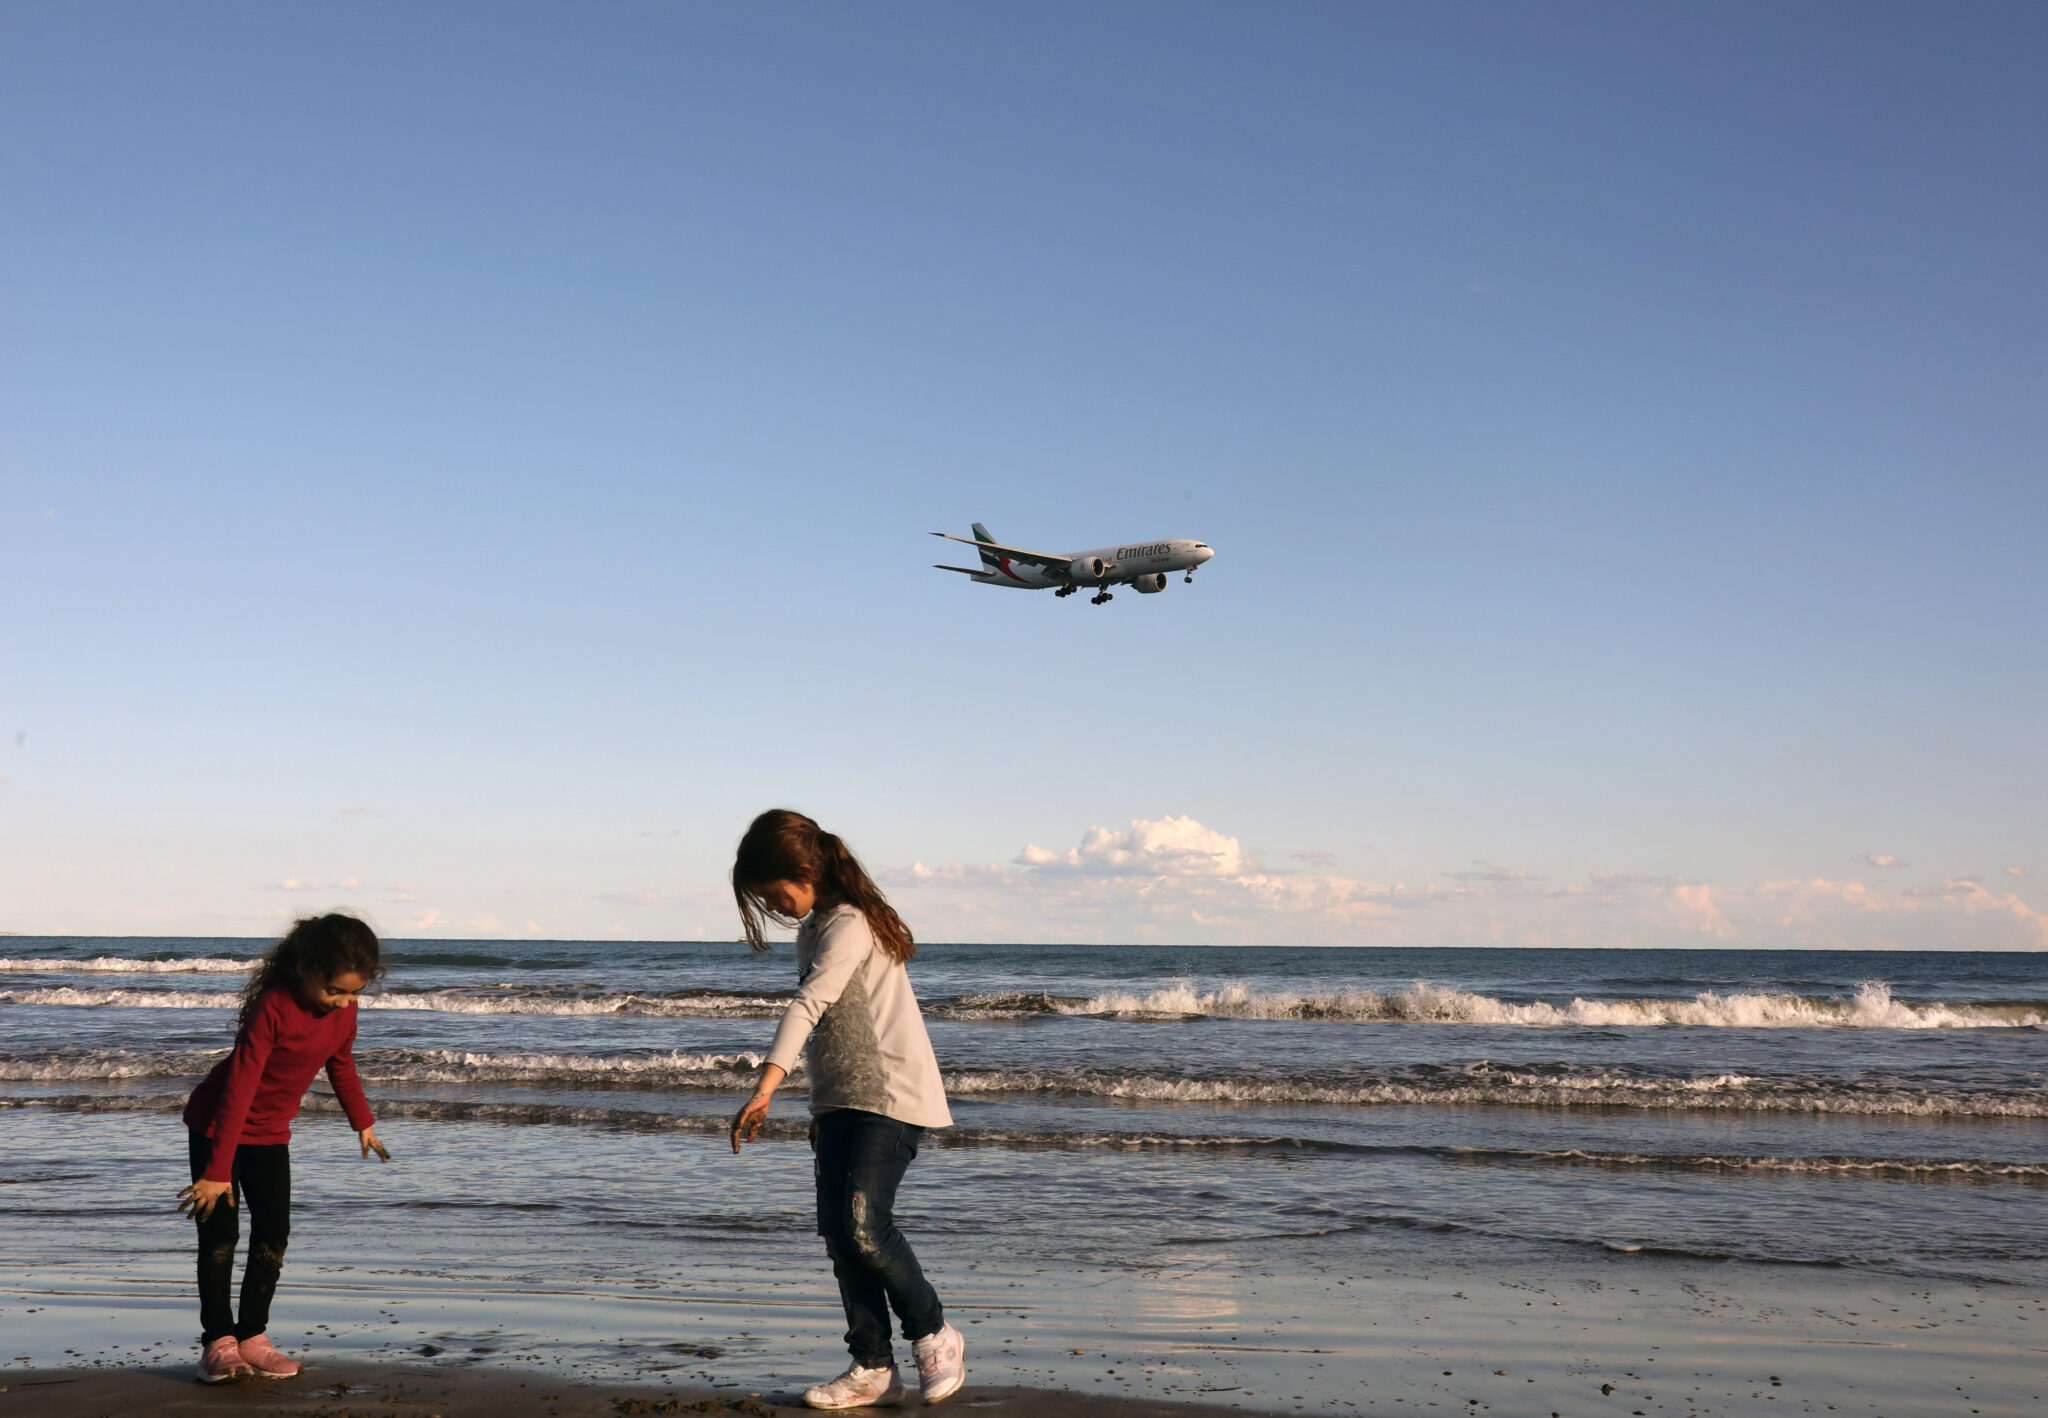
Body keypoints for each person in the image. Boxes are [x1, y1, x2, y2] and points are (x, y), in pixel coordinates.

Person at [728, 810, 965, 1410]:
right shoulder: (817, 928)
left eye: (775, 893)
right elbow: (832, 1025)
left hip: (889, 1101)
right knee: (840, 1235)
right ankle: (873, 1366)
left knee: (865, 1227)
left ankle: (934, 1334)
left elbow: (810, 1005)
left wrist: (766, 1086)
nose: (777, 908)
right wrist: (812, 1098)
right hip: (838, 1101)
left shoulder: (850, 925)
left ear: (804, 869)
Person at [177, 912, 391, 1382]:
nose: (344, 1002)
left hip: (271, 1132)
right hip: (218, 1127)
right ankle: (218, 1341)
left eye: (354, 992)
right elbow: (239, 1086)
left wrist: (362, 1122)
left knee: (273, 1235)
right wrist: (217, 1169)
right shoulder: (273, 1008)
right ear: (304, 968)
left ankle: (252, 1337)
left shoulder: (344, 1012)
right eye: (335, 990)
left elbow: (341, 1063)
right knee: (220, 1238)